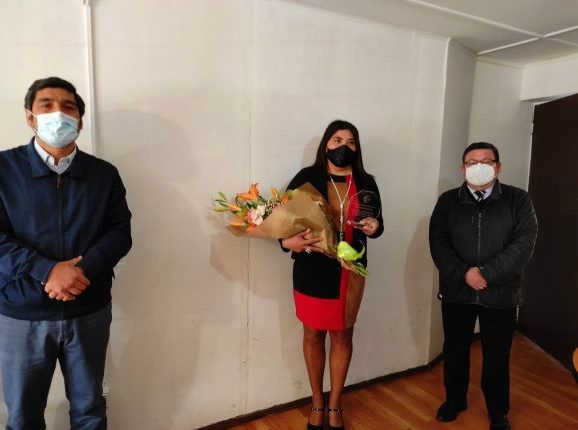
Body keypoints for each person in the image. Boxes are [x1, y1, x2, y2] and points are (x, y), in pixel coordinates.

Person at [0, 77, 132, 430]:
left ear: (80, 121)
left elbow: (120, 233)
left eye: (68, 107)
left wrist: (82, 270)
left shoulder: (104, 175)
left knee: (90, 408)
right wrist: (47, 270)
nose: (58, 113)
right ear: (30, 117)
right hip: (22, 313)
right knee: (23, 415)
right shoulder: (4, 169)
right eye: (47, 105)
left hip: (88, 309)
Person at [281, 120, 383, 430]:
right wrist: (286, 242)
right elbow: (283, 220)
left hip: (350, 272)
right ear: (326, 144)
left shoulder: (366, 182)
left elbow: (378, 223)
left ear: (357, 148)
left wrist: (375, 227)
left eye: (351, 142)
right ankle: (316, 401)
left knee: (342, 335)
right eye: (337, 140)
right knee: (312, 333)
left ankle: (335, 404)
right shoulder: (306, 178)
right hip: (312, 269)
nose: (343, 147)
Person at [429, 142, 538, 430]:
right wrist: (465, 273)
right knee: (455, 349)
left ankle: (498, 411)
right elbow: (439, 245)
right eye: (472, 162)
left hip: (501, 293)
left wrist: (486, 274)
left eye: (486, 161)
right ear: (462, 168)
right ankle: (455, 400)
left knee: (497, 356)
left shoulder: (518, 200)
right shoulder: (448, 202)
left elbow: (523, 246)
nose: (479, 167)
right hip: (457, 291)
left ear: (498, 167)